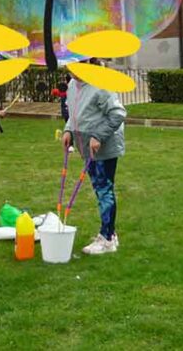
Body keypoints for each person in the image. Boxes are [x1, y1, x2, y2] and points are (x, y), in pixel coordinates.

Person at [62, 58, 126, 255]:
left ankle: (106, 238)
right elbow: (73, 113)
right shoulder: (73, 84)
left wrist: (98, 135)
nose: (71, 71)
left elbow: (118, 113)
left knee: (104, 190)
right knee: (100, 189)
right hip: (85, 147)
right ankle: (110, 234)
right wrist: (68, 131)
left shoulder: (101, 84)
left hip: (103, 147)